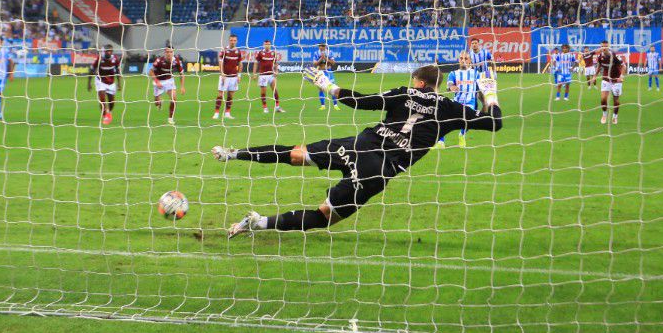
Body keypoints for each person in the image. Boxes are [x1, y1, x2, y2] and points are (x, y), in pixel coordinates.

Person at [216, 64, 504, 237]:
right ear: (437, 85)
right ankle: (258, 223)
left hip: (358, 145)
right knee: (325, 216)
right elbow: (494, 123)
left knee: (295, 154)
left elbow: (362, 101)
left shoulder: (405, 92)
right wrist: (489, 94)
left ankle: (234, 153)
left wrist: (330, 86)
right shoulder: (451, 109)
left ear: (418, 82)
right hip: (378, 171)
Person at [440, 51, 479, 148]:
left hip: (470, 102)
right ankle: (441, 142)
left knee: (468, 120)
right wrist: (451, 87)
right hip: (457, 101)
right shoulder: (453, 73)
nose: (463, 60)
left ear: (469, 61)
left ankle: (462, 135)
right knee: (442, 117)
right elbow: (449, 85)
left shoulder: (476, 73)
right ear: (459, 60)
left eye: (466, 58)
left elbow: (481, 88)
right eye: (461, 58)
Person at [593, 40, 627, 125]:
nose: (604, 48)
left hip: (616, 80)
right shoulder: (600, 57)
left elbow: (624, 66)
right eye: (602, 46)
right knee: (603, 99)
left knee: (616, 101)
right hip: (606, 79)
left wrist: (621, 77)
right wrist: (594, 76)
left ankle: (615, 116)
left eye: (606, 46)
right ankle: (604, 115)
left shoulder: (614, 55)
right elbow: (599, 66)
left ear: (608, 47)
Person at [150, 45, 186, 125]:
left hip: (169, 81)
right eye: (167, 52)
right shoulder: (159, 61)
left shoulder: (176, 61)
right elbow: (151, 71)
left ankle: (170, 118)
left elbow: (182, 74)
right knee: (156, 102)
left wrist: (182, 86)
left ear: (173, 52)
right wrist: (156, 81)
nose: (169, 54)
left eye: (171, 52)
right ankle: (160, 102)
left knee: (174, 99)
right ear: (164, 53)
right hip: (158, 81)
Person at [90, 44, 123, 125]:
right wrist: (89, 83)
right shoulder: (99, 58)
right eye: (107, 51)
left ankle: (108, 112)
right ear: (104, 51)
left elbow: (118, 72)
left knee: (111, 102)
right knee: (102, 99)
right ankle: (105, 116)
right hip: (100, 81)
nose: (109, 52)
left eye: (110, 51)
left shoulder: (115, 59)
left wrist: (119, 83)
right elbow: (92, 69)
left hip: (111, 82)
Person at [213, 34, 244, 120]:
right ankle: (216, 113)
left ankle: (227, 113)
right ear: (229, 40)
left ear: (236, 41)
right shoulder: (224, 50)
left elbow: (240, 63)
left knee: (230, 95)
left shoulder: (238, 51)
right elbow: (220, 61)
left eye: (234, 40)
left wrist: (239, 75)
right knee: (220, 94)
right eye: (231, 40)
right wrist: (222, 73)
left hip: (234, 77)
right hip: (225, 76)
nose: (233, 42)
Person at [253, 39, 284, 114]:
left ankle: (277, 107)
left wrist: (276, 71)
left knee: (275, 90)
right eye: (266, 44)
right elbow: (256, 63)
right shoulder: (260, 53)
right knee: (263, 92)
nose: (267, 45)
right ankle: (265, 107)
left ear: (270, 45)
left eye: (269, 44)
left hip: (271, 75)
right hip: (263, 75)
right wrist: (254, 73)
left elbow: (276, 63)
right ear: (264, 45)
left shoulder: (273, 53)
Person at [313, 43, 339, 109]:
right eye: (320, 46)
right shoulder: (316, 53)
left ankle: (335, 105)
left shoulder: (330, 52)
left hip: (328, 72)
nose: (321, 47)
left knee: (333, 88)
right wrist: (321, 59)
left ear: (325, 46)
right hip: (320, 72)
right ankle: (323, 106)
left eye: (322, 46)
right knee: (321, 88)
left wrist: (325, 58)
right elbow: (315, 63)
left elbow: (333, 63)